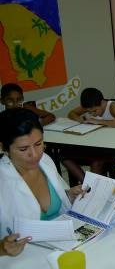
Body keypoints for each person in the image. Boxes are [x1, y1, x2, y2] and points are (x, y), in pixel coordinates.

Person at [0, 108, 84, 256]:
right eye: (23, 149)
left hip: (62, 248)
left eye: (39, 144)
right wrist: (2, 249)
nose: (35, 154)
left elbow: (59, 202)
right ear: (4, 148)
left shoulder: (44, 160)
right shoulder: (3, 180)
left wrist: (69, 196)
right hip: (22, 260)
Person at [65, 87, 115, 182]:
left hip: (112, 146)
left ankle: (93, 187)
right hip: (94, 144)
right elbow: (71, 113)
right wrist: (81, 120)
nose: (92, 114)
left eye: (94, 111)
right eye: (89, 112)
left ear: (102, 102)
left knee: (96, 163)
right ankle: (88, 184)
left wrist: (98, 121)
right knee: (65, 157)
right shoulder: (90, 106)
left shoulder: (111, 106)